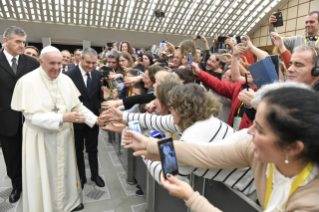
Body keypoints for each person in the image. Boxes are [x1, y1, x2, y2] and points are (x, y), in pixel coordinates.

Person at [124, 82, 319, 212]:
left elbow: (173, 168)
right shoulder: (252, 147)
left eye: (259, 129)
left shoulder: (310, 204)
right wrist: (149, 144)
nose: (249, 132)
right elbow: (204, 154)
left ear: (292, 148)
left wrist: (192, 197)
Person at [11, 46, 105, 212]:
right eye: (52, 63)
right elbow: (31, 118)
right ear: (40, 62)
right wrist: (62, 118)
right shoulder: (27, 81)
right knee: (45, 175)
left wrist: (97, 120)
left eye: (59, 64)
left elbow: (77, 106)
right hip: (41, 140)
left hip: (64, 136)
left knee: (66, 171)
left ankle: (68, 204)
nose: (56, 68)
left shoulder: (65, 80)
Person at [0, 26, 39, 203]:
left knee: (33, 154)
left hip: (31, 119)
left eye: (24, 42)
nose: (22, 45)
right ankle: (17, 186)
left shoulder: (32, 63)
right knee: (12, 155)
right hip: (6, 119)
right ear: (6, 41)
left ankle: (34, 183)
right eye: (18, 41)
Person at [65, 48, 106, 189]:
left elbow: (96, 95)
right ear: (80, 59)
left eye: (93, 63)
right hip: (77, 120)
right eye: (88, 62)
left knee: (93, 148)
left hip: (93, 119)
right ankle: (81, 176)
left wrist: (103, 98)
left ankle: (95, 174)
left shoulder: (95, 73)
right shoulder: (68, 75)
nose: (90, 66)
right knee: (77, 149)